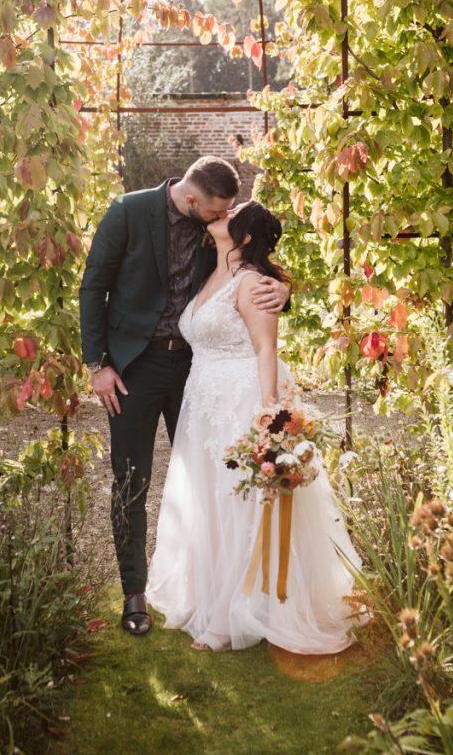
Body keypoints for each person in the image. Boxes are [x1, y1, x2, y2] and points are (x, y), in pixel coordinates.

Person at [79, 157, 290, 637]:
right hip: (133, 368)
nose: (224, 221)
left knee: (208, 477)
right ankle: (134, 594)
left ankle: (218, 589)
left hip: (196, 367)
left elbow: (245, 269)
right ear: (193, 200)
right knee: (130, 479)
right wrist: (98, 365)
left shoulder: (214, 225)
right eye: (217, 213)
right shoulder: (127, 212)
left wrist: (280, 289)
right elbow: (93, 287)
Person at [147, 201, 362, 653]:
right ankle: (210, 597)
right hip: (203, 400)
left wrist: (270, 421)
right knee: (210, 500)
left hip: (240, 397)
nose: (219, 215)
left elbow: (267, 350)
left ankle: (230, 616)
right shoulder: (213, 268)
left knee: (239, 502)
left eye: (230, 215)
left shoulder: (252, 285)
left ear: (243, 238)